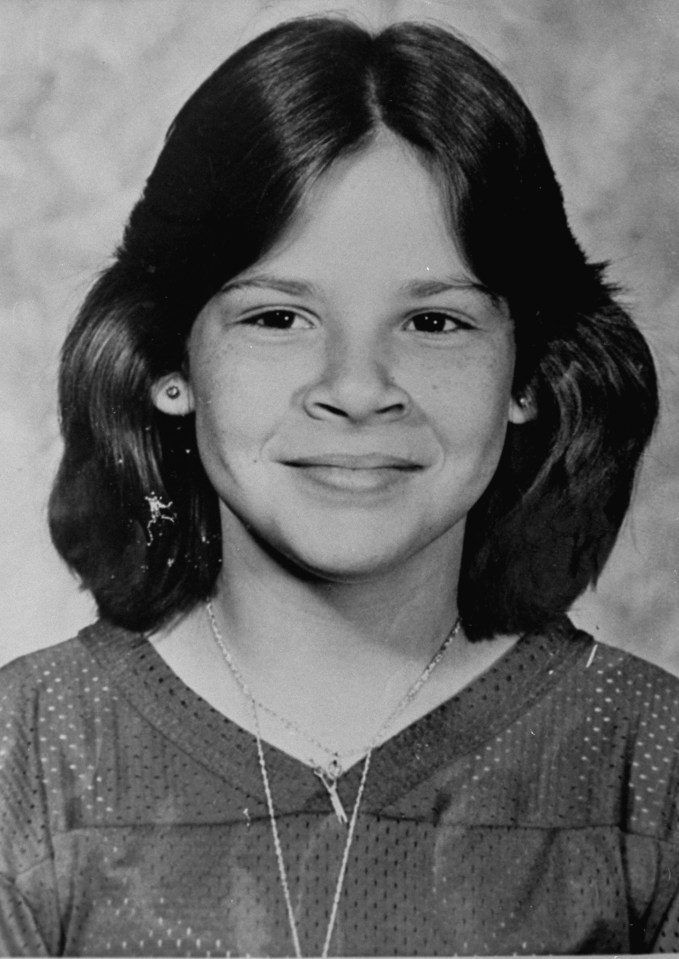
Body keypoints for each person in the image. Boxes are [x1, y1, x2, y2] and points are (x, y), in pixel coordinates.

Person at [0, 14, 674, 957]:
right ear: (168, 363)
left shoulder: (648, 761)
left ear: (526, 376)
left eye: (435, 323)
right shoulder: (28, 753)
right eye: (278, 316)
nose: (356, 390)